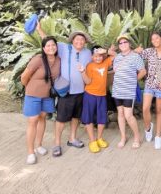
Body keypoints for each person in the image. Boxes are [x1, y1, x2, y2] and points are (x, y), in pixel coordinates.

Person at [36, 24, 91, 156]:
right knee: (60, 119)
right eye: (77, 39)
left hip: (81, 91)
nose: (79, 41)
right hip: (65, 91)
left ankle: (72, 138)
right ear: (72, 40)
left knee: (75, 117)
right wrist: (39, 29)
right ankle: (57, 144)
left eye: (82, 40)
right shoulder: (64, 48)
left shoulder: (88, 53)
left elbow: (97, 60)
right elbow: (48, 43)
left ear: (85, 42)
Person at [20, 36, 60, 164]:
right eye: (47, 46)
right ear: (43, 48)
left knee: (42, 118)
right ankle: (31, 152)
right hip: (33, 94)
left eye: (53, 45)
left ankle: (39, 145)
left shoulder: (58, 60)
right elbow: (24, 77)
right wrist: (31, 88)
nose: (51, 47)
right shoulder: (37, 59)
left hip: (47, 95)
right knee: (33, 121)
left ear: (56, 46)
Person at [111, 35, 146, 149]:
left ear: (129, 44)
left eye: (125, 42)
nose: (122, 44)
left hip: (128, 91)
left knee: (128, 115)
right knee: (120, 114)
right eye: (120, 43)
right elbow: (116, 71)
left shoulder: (135, 57)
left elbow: (143, 71)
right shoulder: (117, 57)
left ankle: (136, 137)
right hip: (117, 90)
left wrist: (133, 80)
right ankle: (123, 137)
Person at [79, 44, 115, 153]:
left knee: (101, 118)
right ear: (91, 56)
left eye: (100, 56)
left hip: (102, 95)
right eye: (95, 56)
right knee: (89, 117)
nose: (98, 58)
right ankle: (92, 140)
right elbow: (88, 82)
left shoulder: (106, 62)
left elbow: (115, 55)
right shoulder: (89, 66)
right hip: (90, 95)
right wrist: (82, 72)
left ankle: (99, 138)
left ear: (103, 55)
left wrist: (106, 51)